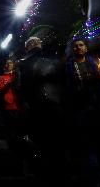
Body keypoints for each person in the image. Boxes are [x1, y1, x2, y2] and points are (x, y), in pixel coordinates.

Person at [16, 36, 65, 184]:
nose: (38, 44)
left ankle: (46, 173)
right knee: (51, 143)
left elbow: (19, 88)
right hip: (48, 104)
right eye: (35, 42)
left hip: (40, 105)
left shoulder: (24, 63)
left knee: (45, 143)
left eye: (37, 42)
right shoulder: (52, 59)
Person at [65, 38, 100, 182]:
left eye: (81, 45)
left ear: (86, 48)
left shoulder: (94, 62)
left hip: (97, 105)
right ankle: (92, 173)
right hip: (80, 107)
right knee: (85, 140)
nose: (78, 48)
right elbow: (68, 87)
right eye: (75, 46)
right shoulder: (68, 66)